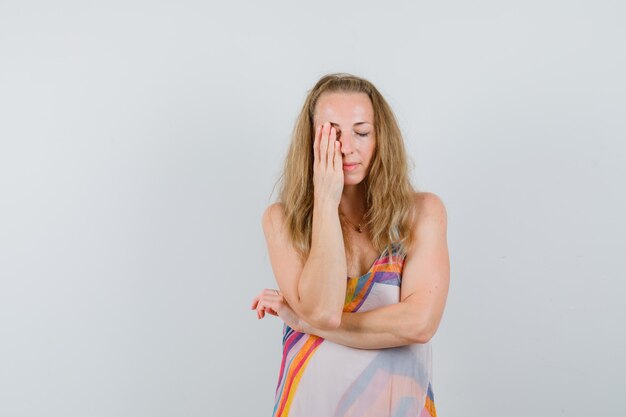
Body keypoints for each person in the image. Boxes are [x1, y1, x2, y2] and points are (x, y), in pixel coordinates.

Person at [250, 73, 450, 417]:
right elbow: (324, 309)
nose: (346, 147)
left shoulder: (422, 214)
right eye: (331, 134)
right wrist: (326, 201)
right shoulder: (282, 220)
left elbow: (419, 325)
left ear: (380, 138)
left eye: (361, 132)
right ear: (310, 141)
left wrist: (305, 324)